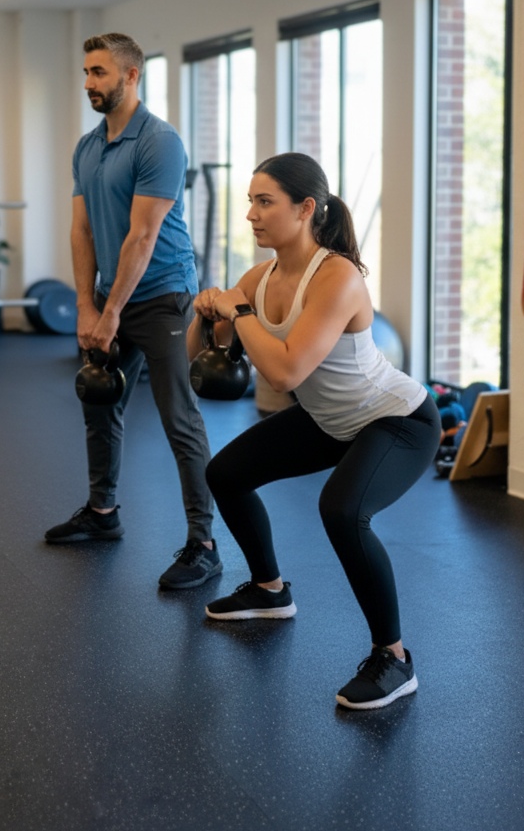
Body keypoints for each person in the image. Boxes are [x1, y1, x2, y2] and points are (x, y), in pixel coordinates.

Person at [188, 152, 441, 709]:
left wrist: (241, 313)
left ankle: (394, 658)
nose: (251, 215)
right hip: (329, 419)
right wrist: (206, 311)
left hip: (395, 420)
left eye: (264, 202)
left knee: (343, 510)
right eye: (249, 202)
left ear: (305, 209)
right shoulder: (260, 276)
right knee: (225, 474)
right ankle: (269, 590)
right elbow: (201, 358)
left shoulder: (337, 276)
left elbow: (282, 373)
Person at [44, 32, 220, 591]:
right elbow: (81, 229)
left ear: (131, 76)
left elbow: (142, 237)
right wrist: (84, 304)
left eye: (99, 72)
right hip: (110, 297)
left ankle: (204, 544)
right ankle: (102, 513)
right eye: (87, 73)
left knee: (178, 418)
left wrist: (111, 310)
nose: (90, 83)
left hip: (163, 294)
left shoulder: (159, 142)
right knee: (100, 401)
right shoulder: (88, 146)